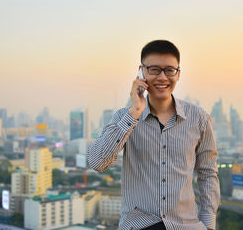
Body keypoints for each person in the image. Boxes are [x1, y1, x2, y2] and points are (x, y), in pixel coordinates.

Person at [87, 40, 220, 230]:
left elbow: (208, 172)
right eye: (154, 69)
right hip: (140, 224)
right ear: (141, 72)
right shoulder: (124, 117)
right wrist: (134, 114)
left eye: (169, 70)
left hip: (186, 225)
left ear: (178, 74)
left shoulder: (199, 118)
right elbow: (97, 162)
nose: (162, 77)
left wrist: (208, 223)